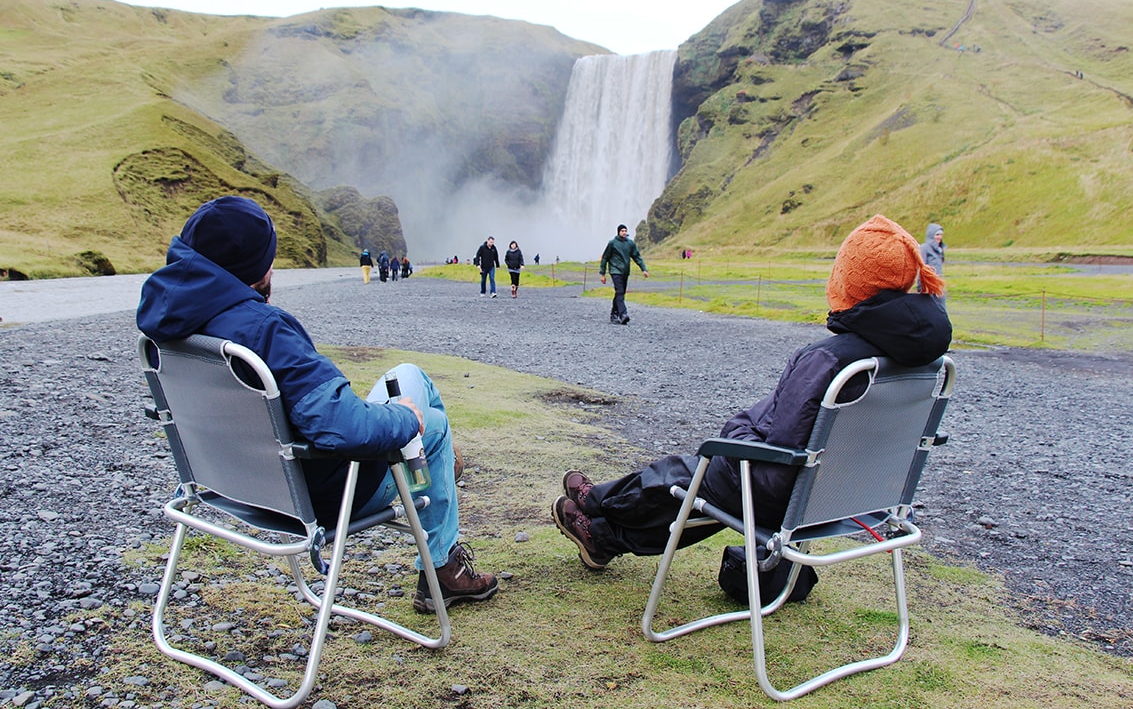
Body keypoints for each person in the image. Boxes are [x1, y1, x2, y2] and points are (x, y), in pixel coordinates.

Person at [136, 196, 497, 613]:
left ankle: (441, 472)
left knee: (411, 373)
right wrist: (404, 420)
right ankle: (441, 558)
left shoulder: (169, 327)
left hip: (236, 486)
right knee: (427, 419)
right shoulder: (263, 330)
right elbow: (340, 428)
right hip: (318, 496)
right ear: (255, 269)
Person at [553, 214, 949, 569]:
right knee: (703, 485)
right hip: (851, 496)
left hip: (792, 496)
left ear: (849, 280)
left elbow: (780, 458)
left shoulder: (829, 360)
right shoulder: (926, 362)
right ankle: (601, 536)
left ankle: (596, 503)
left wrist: (735, 435)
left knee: (688, 474)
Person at [599, 224, 649, 325]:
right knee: (620, 291)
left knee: (620, 293)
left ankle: (614, 313)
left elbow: (637, 257)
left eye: (625, 231)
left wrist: (644, 269)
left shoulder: (630, 243)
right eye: (622, 231)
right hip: (615, 271)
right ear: (618, 232)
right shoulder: (612, 243)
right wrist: (602, 274)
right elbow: (605, 258)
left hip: (625, 272)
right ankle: (623, 314)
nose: (624, 232)